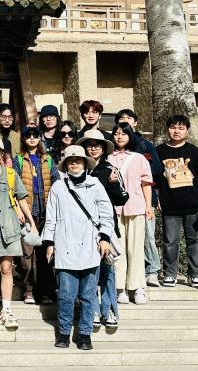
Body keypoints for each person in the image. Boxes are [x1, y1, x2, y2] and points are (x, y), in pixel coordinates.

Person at [43, 145, 114, 351]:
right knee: (66, 295)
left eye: (78, 160)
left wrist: (105, 237)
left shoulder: (95, 185)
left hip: (90, 245)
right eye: (70, 160)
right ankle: (64, 333)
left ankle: (84, 334)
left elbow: (106, 214)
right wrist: (49, 242)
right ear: (65, 164)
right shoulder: (58, 187)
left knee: (88, 295)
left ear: (85, 163)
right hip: (65, 246)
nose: (74, 163)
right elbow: (51, 217)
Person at [0, 137, 36, 331]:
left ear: (3, 153)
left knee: (6, 267)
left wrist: (31, 222)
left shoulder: (11, 174)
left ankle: (7, 309)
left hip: (8, 224)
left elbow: (22, 198)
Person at [156, 115, 198, 289]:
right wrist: (156, 198)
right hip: (170, 205)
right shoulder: (159, 151)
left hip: (193, 204)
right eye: (173, 127)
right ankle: (170, 274)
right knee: (170, 242)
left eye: (181, 128)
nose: (176, 131)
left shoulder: (193, 151)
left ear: (187, 131)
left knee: (194, 241)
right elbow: (154, 178)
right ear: (167, 129)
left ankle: (195, 275)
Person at [115, 108, 164, 287]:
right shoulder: (112, 150)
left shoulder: (145, 145)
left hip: (143, 199)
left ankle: (152, 271)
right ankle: (127, 276)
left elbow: (158, 169)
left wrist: (138, 168)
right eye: (121, 118)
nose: (125, 120)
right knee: (122, 241)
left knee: (148, 237)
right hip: (119, 204)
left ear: (135, 123)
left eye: (129, 118)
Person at [78, 129, 120, 331]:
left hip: (105, 226)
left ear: (103, 148)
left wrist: (114, 184)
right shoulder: (78, 169)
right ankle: (92, 310)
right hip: (83, 228)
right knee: (89, 272)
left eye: (97, 145)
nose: (93, 148)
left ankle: (109, 310)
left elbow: (122, 198)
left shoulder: (109, 169)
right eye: (90, 145)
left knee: (107, 270)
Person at [13, 125, 60, 304]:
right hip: (27, 211)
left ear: (40, 138)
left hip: (46, 212)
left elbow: (56, 183)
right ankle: (29, 290)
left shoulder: (48, 159)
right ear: (24, 139)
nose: (32, 138)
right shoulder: (18, 159)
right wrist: (18, 209)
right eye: (28, 135)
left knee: (44, 253)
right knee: (26, 254)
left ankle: (45, 291)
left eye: (35, 135)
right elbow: (14, 186)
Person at [108, 122, 153, 305]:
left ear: (130, 136)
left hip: (136, 206)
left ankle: (138, 286)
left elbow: (146, 184)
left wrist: (148, 206)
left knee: (136, 248)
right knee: (118, 249)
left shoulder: (139, 158)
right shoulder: (107, 158)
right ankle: (120, 288)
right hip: (115, 209)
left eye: (123, 133)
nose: (119, 137)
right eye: (116, 133)